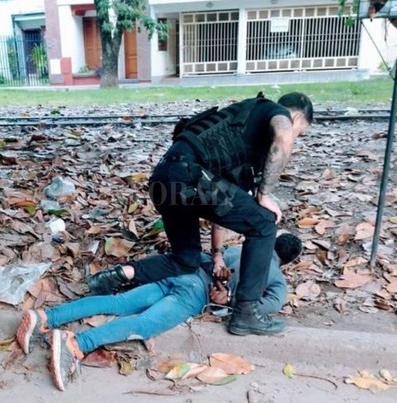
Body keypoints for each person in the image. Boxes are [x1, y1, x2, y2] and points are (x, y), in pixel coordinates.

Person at [87, 92, 313, 336]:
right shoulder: (275, 112)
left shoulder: (238, 129)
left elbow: (224, 209)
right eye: (300, 133)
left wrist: (217, 254)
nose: (295, 139)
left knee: (186, 260)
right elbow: (284, 134)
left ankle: (117, 275)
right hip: (191, 178)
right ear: (297, 117)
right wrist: (265, 193)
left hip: (164, 178)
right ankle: (246, 314)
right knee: (265, 225)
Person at [15, 233, 302, 392]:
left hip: (184, 274)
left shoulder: (242, 249)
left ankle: (46, 317)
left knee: (118, 303)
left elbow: (214, 258)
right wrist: (229, 299)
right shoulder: (278, 281)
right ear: (289, 262)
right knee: (144, 324)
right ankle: (76, 344)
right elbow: (255, 308)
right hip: (194, 295)